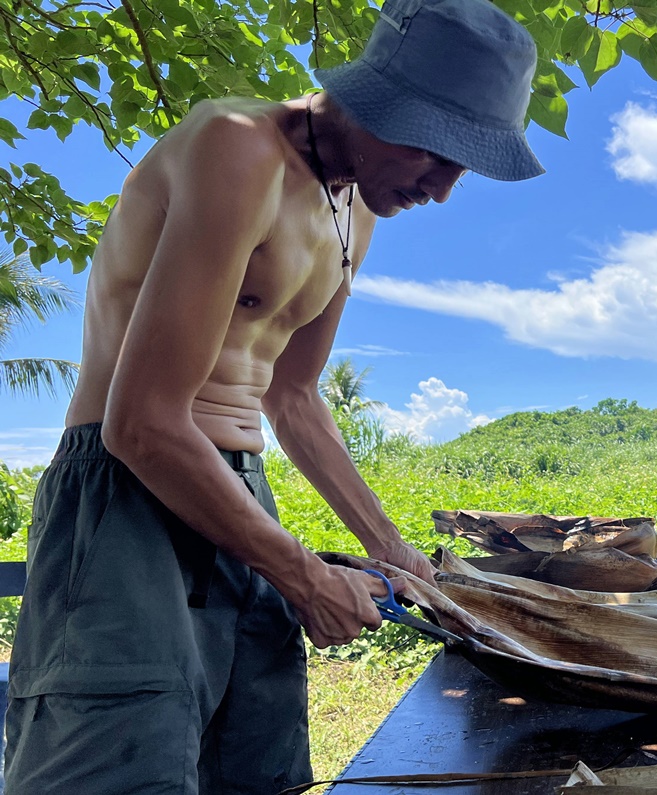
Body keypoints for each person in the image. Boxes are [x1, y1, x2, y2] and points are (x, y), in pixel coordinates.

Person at [3, 0, 543, 790]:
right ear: (380, 100)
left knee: (258, 766)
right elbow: (143, 424)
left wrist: (395, 553)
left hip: (240, 494)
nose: (444, 188)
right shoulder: (236, 147)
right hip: (124, 497)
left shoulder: (355, 212)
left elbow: (293, 397)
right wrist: (302, 575)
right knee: (118, 764)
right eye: (439, 151)